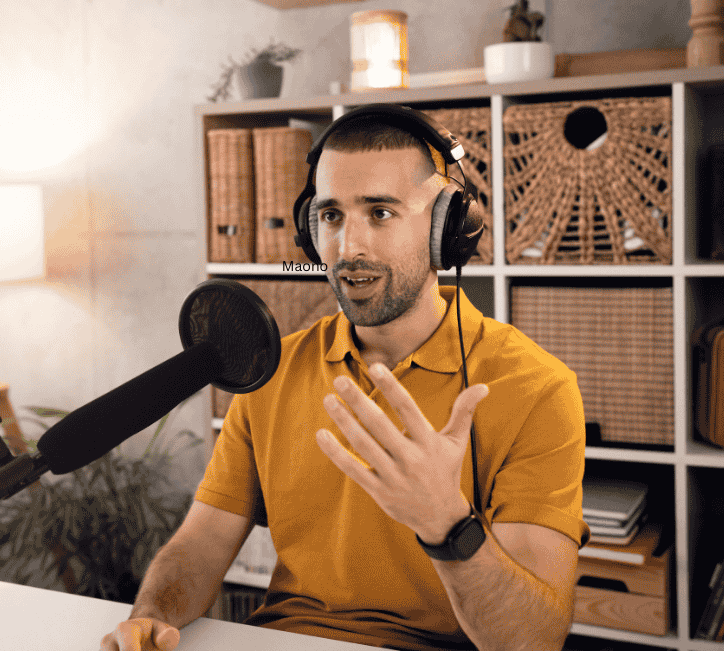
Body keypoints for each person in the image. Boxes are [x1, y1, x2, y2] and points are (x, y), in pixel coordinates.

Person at [100, 106, 589, 651]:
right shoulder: (274, 369)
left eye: (380, 213)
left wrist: (449, 525)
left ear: (446, 229)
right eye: (331, 216)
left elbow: (534, 640)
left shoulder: (537, 388)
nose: (348, 247)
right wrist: (152, 616)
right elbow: (204, 540)